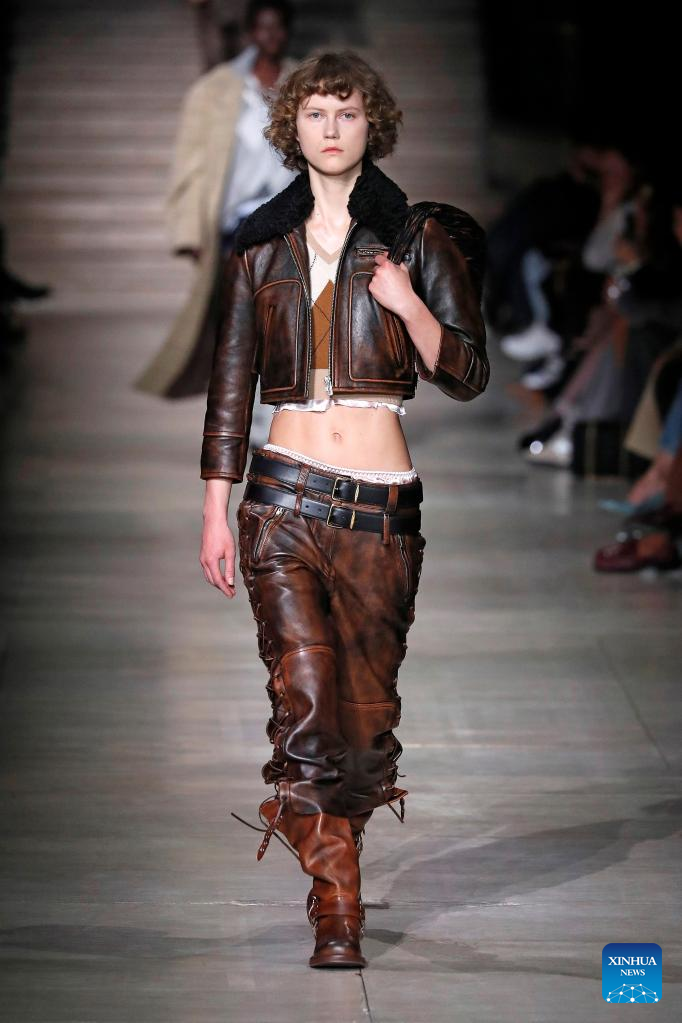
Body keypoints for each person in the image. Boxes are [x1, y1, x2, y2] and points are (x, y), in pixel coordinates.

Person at [198, 50, 489, 969]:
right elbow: (231, 384)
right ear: (292, 126)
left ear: (374, 125)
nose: (331, 129)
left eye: (348, 113)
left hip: (381, 511)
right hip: (281, 497)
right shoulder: (259, 244)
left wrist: (408, 303)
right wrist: (215, 509)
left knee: (362, 730)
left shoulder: (417, 237)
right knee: (306, 705)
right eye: (316, 113)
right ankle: (338, 908)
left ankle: (326, 839)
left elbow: (469, 372)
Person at [134, 0, 298, 402]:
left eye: (278, 27)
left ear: (287, 31)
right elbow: (192, 162)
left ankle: (272, 400)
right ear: (251, 32)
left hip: (291, 218)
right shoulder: (217, 89)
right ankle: (245, 400)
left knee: (282, 314)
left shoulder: (304, 83)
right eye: (263, 27)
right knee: (240, 316)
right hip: (237, 221)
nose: (271, 36)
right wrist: (190, 231)